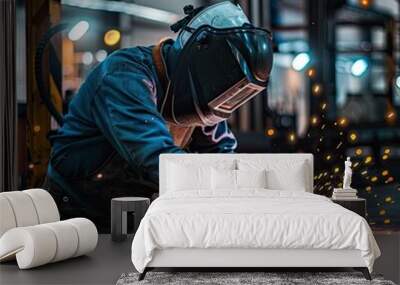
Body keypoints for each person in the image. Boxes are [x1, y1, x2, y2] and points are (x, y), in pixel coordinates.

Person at [46, 1, 273, 231]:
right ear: (199, 56)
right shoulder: (125, 76)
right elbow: (158, 159)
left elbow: (220, 155)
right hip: (75, 215)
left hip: (129, 215)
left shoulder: (199, 98)